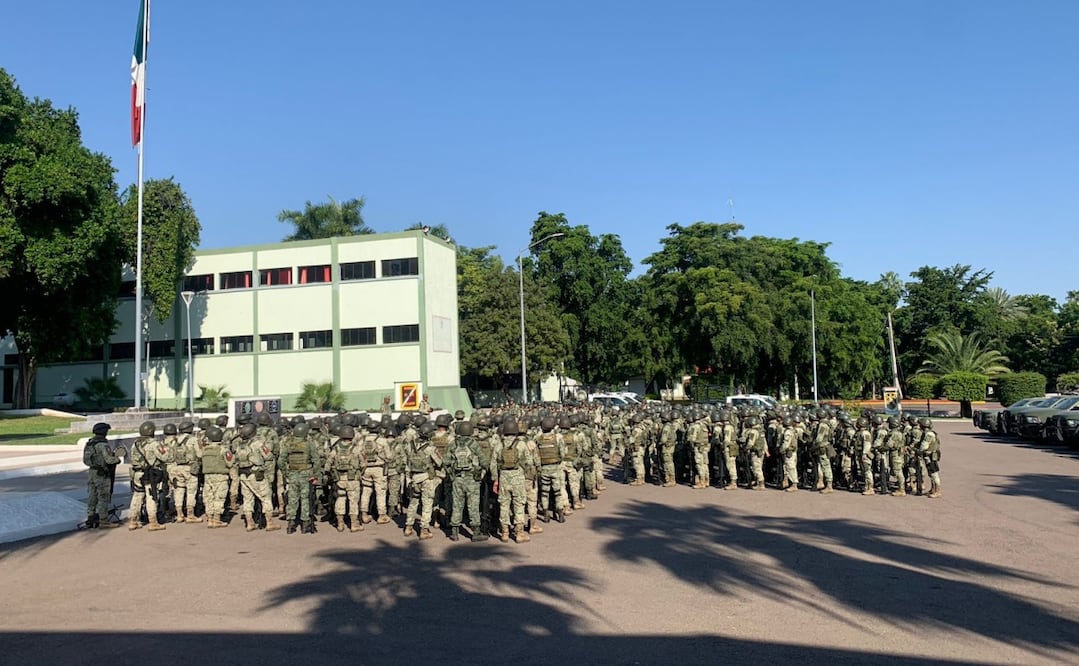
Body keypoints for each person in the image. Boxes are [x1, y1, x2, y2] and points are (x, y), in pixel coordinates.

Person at [490, 418, 535, 543]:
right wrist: (524, 473)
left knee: (504, 505)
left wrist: (495, 479)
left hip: (503, 477)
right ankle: (519, 533)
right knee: (519, 505)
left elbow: (493, 464)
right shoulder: (521, 445)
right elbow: (529, 462)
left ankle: (504, 533)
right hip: (518, 478)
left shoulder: (499, 445)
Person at [444, 421, 487, 541]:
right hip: (472, 479)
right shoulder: (473, 444)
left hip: (457, 479)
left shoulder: (453, 444)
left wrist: (452, 475)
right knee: (473, 505)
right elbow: (484, 461)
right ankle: (476, 533)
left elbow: (445, 462)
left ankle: (454, 532)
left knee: (457, 505)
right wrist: (482, 472)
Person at [278, 422, 322, 534]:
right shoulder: (309, 444)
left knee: (292, 499)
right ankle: (305, 524)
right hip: (305, 474)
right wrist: (315, 474)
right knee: (305, 499)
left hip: (292, 473)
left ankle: (291, 523)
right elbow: (316, 461)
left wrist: (286, 473)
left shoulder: (288, 444)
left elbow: (281, 461)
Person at [403, 422, 442, 540]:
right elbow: (439, 462)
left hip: (413, 478)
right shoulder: (430, 448)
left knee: (413, 503)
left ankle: (408, 527)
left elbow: (407, 462)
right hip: (426, 478)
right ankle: (424, 529)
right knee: (427, 504)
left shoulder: (410, 446)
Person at [128, 421, 169, 531]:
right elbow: (165, 457)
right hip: (150, 474)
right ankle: (153, 522)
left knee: (137, 497)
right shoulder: (154, 444)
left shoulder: (135, 443)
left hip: (137, 474)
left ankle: (133, 521)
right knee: (152, 497)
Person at [325, 424, 364, 533]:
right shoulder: (356, 449)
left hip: (339, 479)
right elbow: (363, 464)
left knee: (340, 499)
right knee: (353, 501)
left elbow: (327, 465)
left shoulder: (335, 449)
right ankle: (354, 524)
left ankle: (340, 523)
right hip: (353, 479)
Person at [83, 423, 121, 528]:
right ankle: (103, 520)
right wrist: (117, 459)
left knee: (92, 495)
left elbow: (85, 460)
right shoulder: (103, 445)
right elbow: (109, 460)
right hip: (102, 474)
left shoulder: (90, 443)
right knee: (103, 496)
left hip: (92, 472)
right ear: (104, 432)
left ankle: (91, 517)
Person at [197, 426, 234, 528]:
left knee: (209, 497)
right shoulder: (223, 449)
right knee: (219, 498)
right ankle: (217, 520)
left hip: (208, 477)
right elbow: (230, 462)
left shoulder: (204, 450)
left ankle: (210, 519)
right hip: (221, 476)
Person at [358, 419, 393, 525]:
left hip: (365, 469)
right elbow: (389, 457)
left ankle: (364, 514)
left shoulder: (362, 440)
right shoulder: (382, 441)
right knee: (380, 492)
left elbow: (357, 454)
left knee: (366, 491)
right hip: (379, 469)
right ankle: (382, 515)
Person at [168, 420, 202, 523]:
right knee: (191, 492)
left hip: (177, 468)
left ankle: (179, 515)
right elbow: (200, 454)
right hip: (190, 468)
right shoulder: (193, 440)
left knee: (179, 491)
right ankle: (190, 515)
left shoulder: (175, 440)